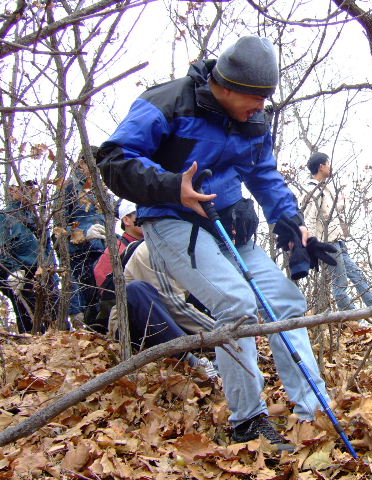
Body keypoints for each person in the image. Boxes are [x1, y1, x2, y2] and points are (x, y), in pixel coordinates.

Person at [98, 35, 337, 451]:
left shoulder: (255, 122)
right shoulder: (170, 101)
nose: (262, 106)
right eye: (256, 96)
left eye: (266, 97)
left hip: (231, 226)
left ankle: (312, 412)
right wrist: (172, 186)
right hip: (173, 220)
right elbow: (115, 158)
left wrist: (294, 223)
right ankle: (249, 421)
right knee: (236, 304)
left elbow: (264, 176)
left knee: (285, 302)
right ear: (226, 86)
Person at [108, 240, 218, 380]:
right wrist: (223, 333)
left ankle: (210, 356)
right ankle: (191, 361)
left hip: (168, 324)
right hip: (133, 328)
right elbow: (175, 307)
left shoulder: (190, 253)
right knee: (136, 289)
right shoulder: (153, 250)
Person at [304, 152, 372, 327]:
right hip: (327, 244)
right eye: (328, 163)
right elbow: (308, 219)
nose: (330, 166)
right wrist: (314, 245)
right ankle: (355, 325)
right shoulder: (313, 190)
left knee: (358, 276)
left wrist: (344, 198)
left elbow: (329, 210)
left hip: (338, 241)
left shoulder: (325, 188)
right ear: (321, 166)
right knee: (340, 285)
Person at [65, 148, 108, 329]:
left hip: (103, 254)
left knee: (102, 307)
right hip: (80, 256)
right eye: (94, 165)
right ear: (82, 163)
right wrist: (84, 234)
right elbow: (58, 231)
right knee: (88, 315)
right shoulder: (69, 187)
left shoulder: (101, 189)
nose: (97, 170)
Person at [91, 199, 144, 333]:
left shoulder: (149, 246)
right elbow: (105, 290)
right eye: (140, 213)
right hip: (125, 317)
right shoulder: (116, 249)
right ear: (127, 220)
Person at [0, 181, 45, 333]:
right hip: (20, 274)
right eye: (26, 187)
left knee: (54, 319)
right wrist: (14, 271)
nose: (32, 191)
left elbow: (47, 249)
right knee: (29, 320)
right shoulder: (5, 217)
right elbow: (2, 249)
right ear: (13, 190)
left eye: (33, 187)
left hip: (42, 275)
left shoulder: (38, 219)